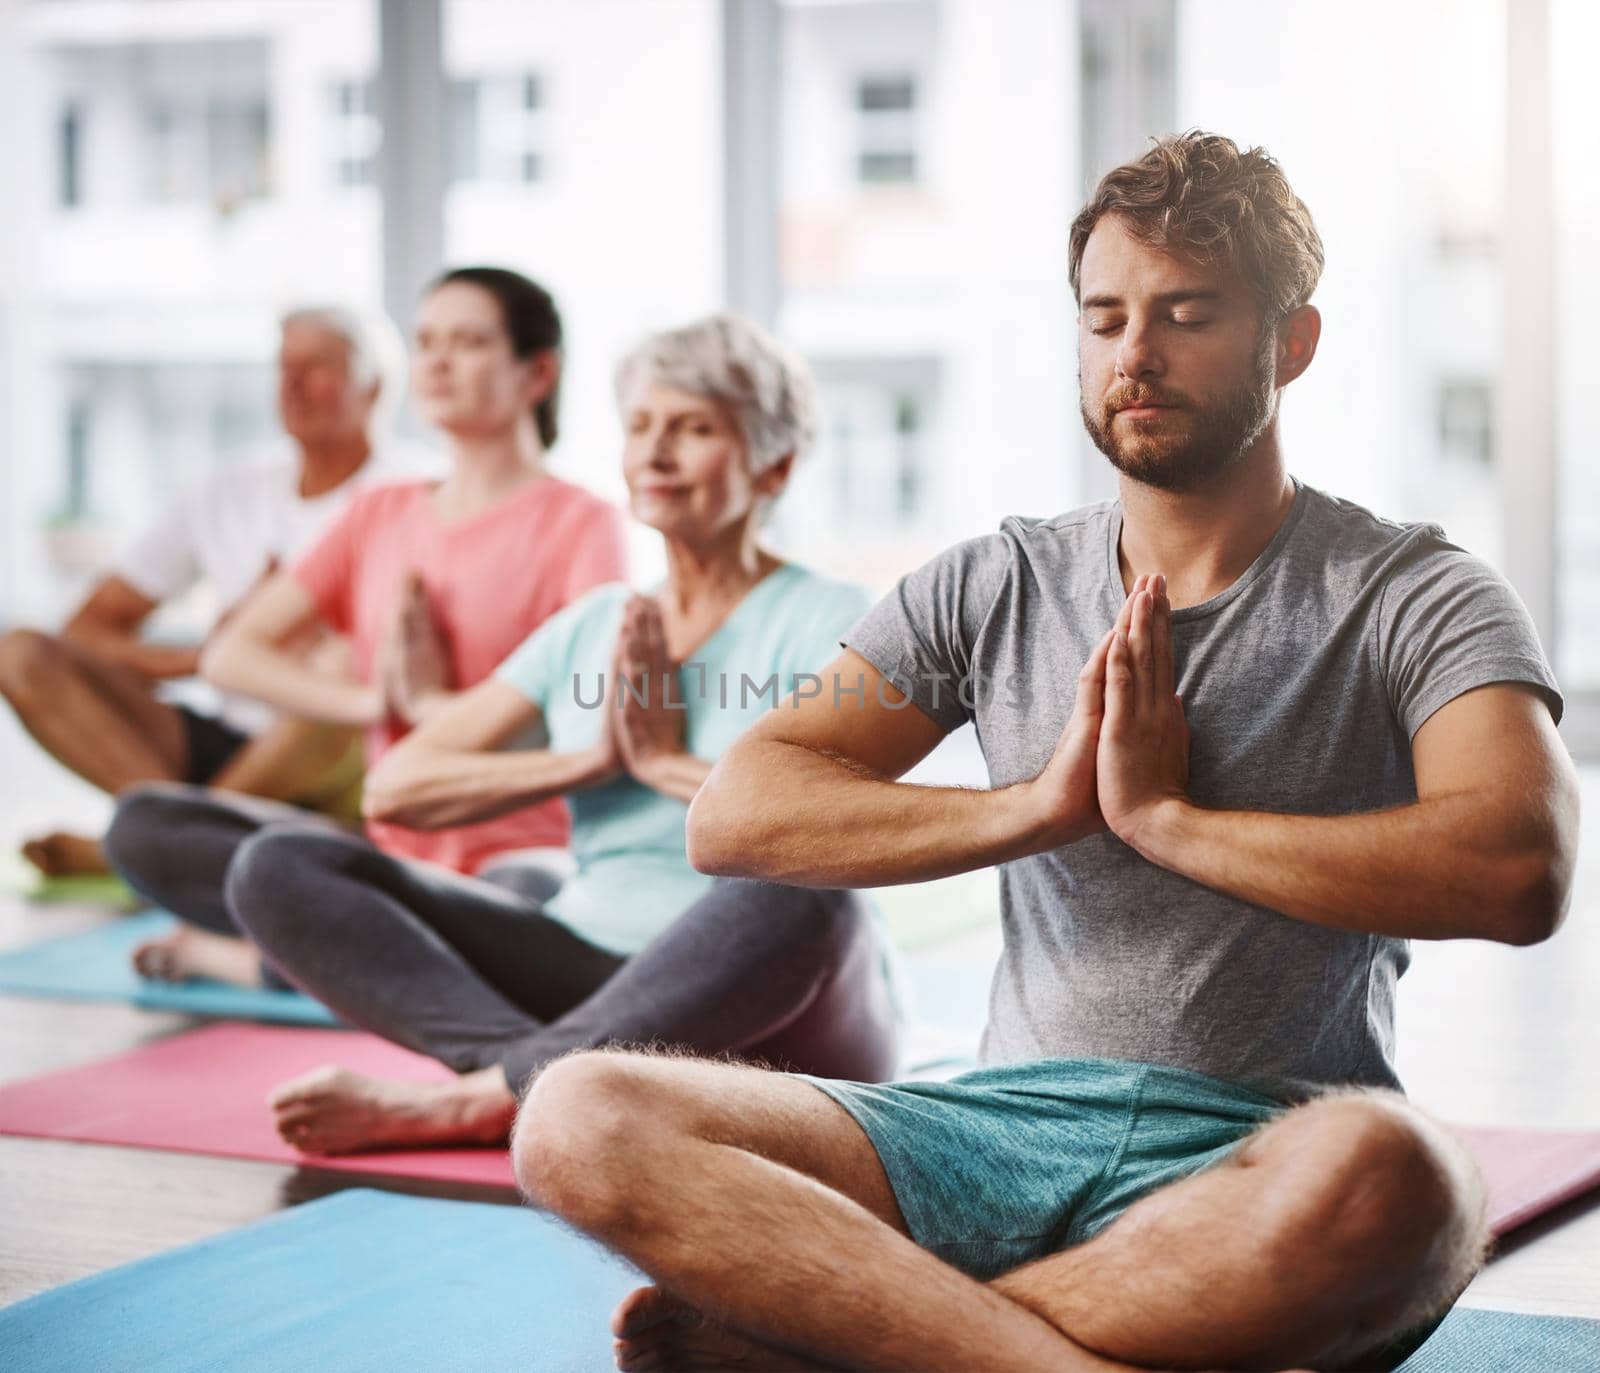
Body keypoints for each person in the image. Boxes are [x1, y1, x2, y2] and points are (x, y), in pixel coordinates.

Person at [508, 133, 1582, 1373]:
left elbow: (1519, 867)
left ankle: (853, 1330)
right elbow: (740, 809)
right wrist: (1038, 806)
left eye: (1186, 314)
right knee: (579, 1114)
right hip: (980, 1131)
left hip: (1260, 1147)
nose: (1135, 353)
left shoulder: (1417, 591)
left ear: (1290, 343)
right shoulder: (993, 581)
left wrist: (1174, 821)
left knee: (1406, 1180)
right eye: (1105, 316)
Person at [217, 313, 897, 1156]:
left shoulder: (831, 617)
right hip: (590, 974)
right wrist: (589, 761)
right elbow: (397, 786)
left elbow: (838, 823)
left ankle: (490, 1094)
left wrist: (662, 762)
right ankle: (529, 1081)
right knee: (279, 863)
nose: (654, 453)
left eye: (692, 430)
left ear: (775, 465)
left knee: (800, 889)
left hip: (772, 1003)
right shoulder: (596, 625)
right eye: (641, 427)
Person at [105, 266, 628, 988]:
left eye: (470, 341)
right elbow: (232, 655)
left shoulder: (582, 521)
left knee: (525, 916)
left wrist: (432, 706)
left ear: (537, 372)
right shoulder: (379, 512)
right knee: (146, 824)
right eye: (427, 341)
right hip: (385, 850)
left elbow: (590, 716)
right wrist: (374, 700)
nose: (439, 361)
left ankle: (251, 958)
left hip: (518, 861)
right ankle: (362, 948)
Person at [0, 306, 402, 878]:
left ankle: (155, 851)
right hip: (228, 737)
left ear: (374, 386)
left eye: (316, 367)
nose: (290, 385)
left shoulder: (408, 496)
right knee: (19, 654)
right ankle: (189, 846)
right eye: (283, 367)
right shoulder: (232, 486)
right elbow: (89, 627)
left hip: (337, 751)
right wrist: (210, 654)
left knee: (345, 673)